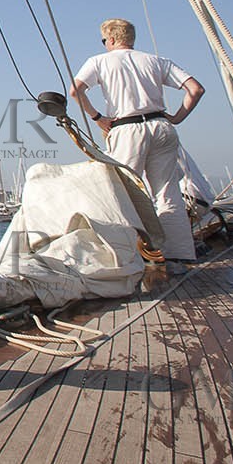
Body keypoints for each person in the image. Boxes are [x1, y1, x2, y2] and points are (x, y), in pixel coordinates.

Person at [71, 17, 205, 273]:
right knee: (168, 193)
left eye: (103, 40)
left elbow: (76, 90)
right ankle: (178, 257)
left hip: (127, 129)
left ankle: (127, 257)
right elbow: (195, 89)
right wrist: (177, 117)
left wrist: (97, 117)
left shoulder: (99, 62)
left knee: (123, 191)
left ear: (111, 39)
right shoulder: (156, 61)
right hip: (161, 126)